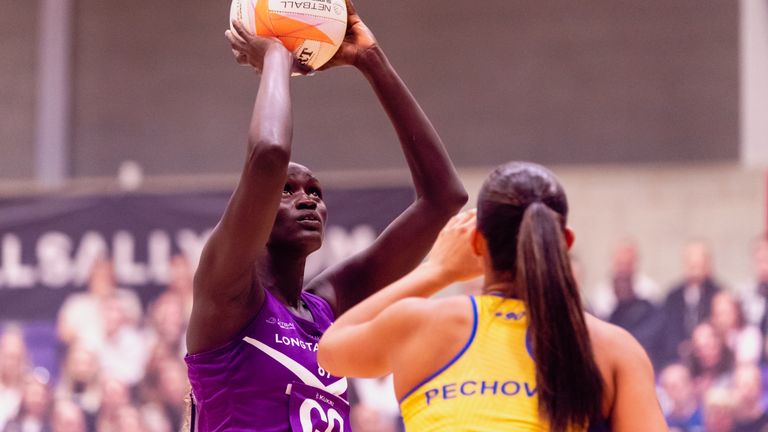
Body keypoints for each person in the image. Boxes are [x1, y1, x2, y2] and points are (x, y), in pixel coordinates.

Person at [184, 0, 467, 430]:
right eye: (287, 190)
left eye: (315, 191)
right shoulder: (226, 294)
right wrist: (277, 53)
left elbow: (444, 198)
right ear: (254, 208)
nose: (308, 199)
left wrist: (371, 61)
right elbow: (269, 153)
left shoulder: (326, 308)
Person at [318, 162, 667, 431]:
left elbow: (330, 349)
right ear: (565, 242)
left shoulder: (422, 324)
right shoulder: (613, 347)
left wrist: (438, 269)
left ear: (476, 243)